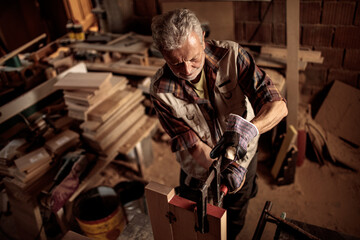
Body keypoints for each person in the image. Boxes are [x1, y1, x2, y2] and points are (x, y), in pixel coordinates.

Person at [150, 8, 288, 239]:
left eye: (193, 58)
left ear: (202, 39)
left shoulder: (232, 55)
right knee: (197, 216)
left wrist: (248, 130)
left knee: (237, 208)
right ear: (163, 55)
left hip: (244, 154)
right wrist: (222, 167)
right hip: (199, 164)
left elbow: (278, 107)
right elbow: (193, 145)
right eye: (176, 64)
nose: (187, 70)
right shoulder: (161, 91)